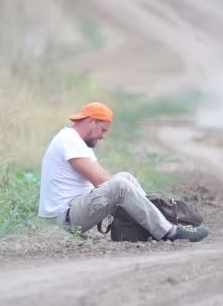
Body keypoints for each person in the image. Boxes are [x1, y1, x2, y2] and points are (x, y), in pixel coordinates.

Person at [38, 101, 209, 242]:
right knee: (120, 184)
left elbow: (103, 177)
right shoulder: (69, 140)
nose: (103, 136)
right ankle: (170, 232)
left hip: (74, 209)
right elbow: (100, 181)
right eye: (103, 130)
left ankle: (160, 222)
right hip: (64, 219)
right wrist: (123, 189)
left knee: (124, 177)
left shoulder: (77, 142)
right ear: (91, 121)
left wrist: (126, 189)